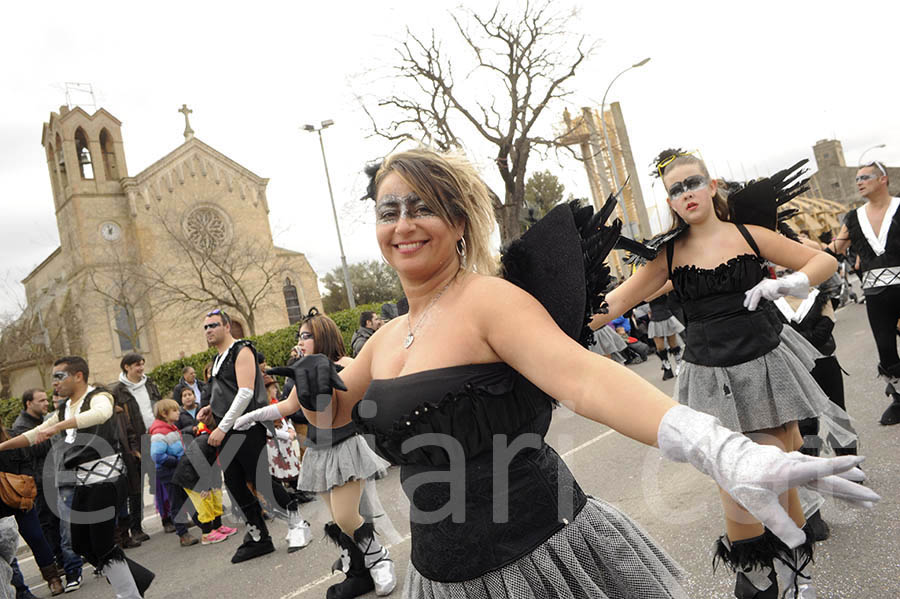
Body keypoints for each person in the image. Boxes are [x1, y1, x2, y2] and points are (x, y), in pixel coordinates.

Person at [233, 148, 876, 599]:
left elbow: (585, 379)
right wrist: (310, 391)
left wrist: (719, 448)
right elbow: (337, 419)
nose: (402, 224)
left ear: (458, 222)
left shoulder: (490, 300)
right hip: (440, 574)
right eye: (387, 210)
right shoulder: (386, 338)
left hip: (544, 555)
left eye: (421, 207)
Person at [592, 150, 853, 597]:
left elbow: (823, 261)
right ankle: (758, 575)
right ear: (670, 202)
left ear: (711, 187)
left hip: (763, 368)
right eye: (675, 189)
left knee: (773, 475)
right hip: (710, 378)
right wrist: (556, 322)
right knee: (736, 479)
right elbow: (615, 304)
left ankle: (792, 578)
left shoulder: (750, 236)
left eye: (692, 183)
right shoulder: (669, 255)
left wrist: (791, 281)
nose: (685, 193)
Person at [247, 309, 393, 598]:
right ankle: (360, 568)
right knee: (343, 518)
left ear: (322, 336)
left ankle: (379, 558)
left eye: (306, 335)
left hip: (349, 445)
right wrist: (247, 417)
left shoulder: (348, 364)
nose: (300, 341)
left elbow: (375, 392)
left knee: (347, 516)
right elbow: (288, 407)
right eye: (299, 335)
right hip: (318, 450)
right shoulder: (301, 368)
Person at [0, 356, 154, 599]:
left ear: (78, 376)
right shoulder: (65, 408)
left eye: (59, 377)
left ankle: (130, 594)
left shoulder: (100, 396)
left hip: (107, 481)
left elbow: (101, 415)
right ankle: (138, 578)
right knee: (81, 544)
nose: (55, 383)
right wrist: (2, 447)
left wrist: (57, 427)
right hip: (84, 483)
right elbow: (34, 434)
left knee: (103, 545)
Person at [195, 309, 310, 563]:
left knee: (262, 482)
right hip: (227, 430)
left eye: (213, 325)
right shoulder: (217, 360)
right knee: (235, 485)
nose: (209, 330)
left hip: (246, 428)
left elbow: (245, 393)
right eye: (205, 327)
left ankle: (299, 524)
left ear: (227, 326)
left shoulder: (242, 350)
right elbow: (226, 393)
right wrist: (211, 411)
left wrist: (222, 426)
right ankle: (259, 536)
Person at [826, 160, 900, 425]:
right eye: (857, 178)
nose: (859, 182)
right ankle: (899, 399)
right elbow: (834, 247)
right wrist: (797, 249)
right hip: (876, 294)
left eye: (865, 176)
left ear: (883, 179)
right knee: (886, 350)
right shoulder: (854, 217)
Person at [0, 423, 64, 595]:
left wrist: (25, 483)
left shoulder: (12, 437)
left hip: (20, 497)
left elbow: (27, 463)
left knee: (36, 537)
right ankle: (20, 589)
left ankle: (53, 578)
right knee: (7, 549)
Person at [110, 353, 161, 539]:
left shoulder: (150, 385)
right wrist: (131, 448)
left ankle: (169, 519)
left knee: (161, 482)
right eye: (136, 365)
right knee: (136, 488)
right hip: (135, 444)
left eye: (142, 364)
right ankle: (136, 528)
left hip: (157, 438)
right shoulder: (118, 392)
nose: (140, 368)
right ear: (126, 367)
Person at [149, 399, 198, 547]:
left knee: (186, 498)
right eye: (175, 410)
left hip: (176, 469)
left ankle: (204, 525)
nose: (179, 412)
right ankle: (183, 534)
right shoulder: (159, 432)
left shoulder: (171, 428)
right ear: (164, 414)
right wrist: (176, 461)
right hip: (168, 471)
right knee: (176, 502)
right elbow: (157, 455)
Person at [647, 292, 685, 380]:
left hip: (666, 316)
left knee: (673, 344)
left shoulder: (663, 287)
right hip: (655, 319)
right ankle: (667, 367)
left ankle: (679, 364)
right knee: (660, 347)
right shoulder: (647, 289)